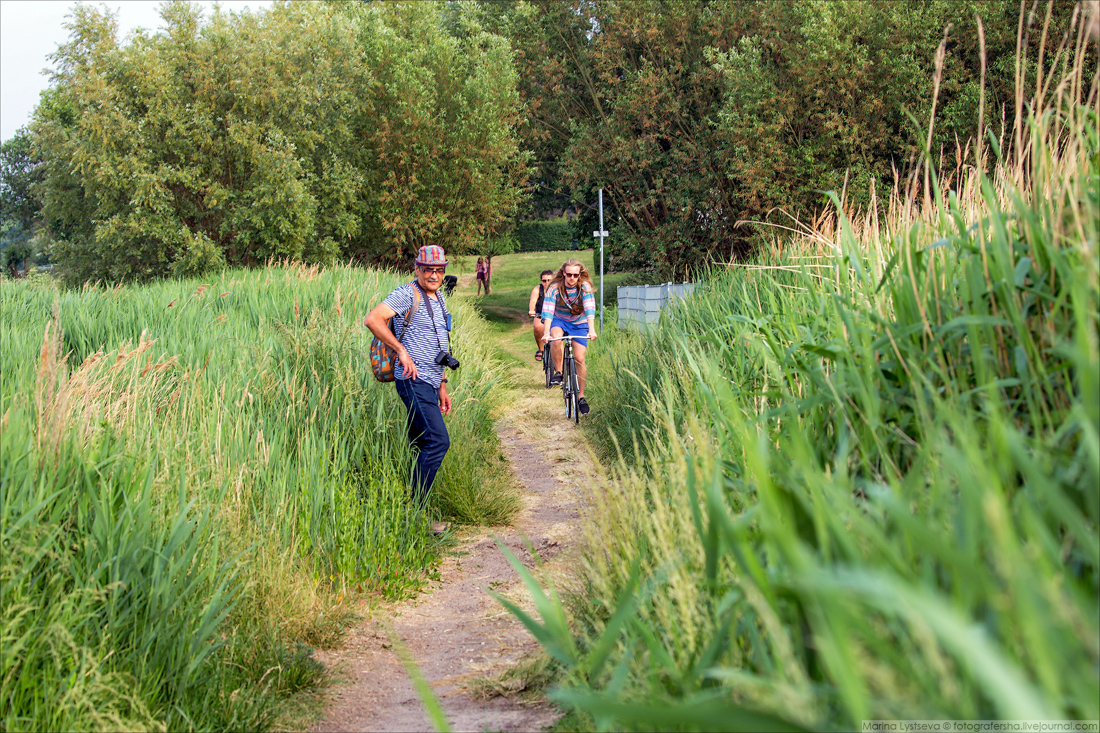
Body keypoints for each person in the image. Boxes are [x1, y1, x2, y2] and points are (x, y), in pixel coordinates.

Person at [364, 245, 456, 535]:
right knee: (438, 441)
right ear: (417, 269)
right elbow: (373, 319)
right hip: (412, 379)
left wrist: (442, 384)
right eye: (428, 269)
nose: (434, 274)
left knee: (419, 445)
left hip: (431, 381)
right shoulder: (408, 293)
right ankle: (415, 516)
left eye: (439, 269)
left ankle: (410, 516)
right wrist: (401, 350)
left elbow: (441, 343)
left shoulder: (440, 296)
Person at [540, 259, 597, 415]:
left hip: (579, 322)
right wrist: (546, 332)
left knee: (580, 358)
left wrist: (591, 330)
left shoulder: (584, 287)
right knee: (556, 338)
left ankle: (581, 397)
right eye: (569, 275)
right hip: (560, 320)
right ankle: (559, 372)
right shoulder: (554, 288)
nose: (572, 278)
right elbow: (548, 311)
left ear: (580, 275)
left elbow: (590, 309)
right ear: (564, 273)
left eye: (575, 275)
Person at [527, 269, 554, 361]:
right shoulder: (538, 289)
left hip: (555, 315)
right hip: (541, 314)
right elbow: (533, 300)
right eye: (544, 280)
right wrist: (531, 310)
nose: (546, 282)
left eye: (549, 280)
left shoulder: (557, 289)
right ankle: (540, 349)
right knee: (537, 326)